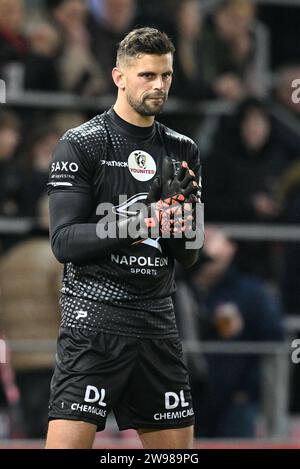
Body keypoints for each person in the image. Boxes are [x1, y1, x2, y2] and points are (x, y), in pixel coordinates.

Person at [45, 27, 204, 449]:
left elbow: (188, 256)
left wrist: (180, 223)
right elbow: (64, 241)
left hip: (157, 325)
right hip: (93, 325)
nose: (159, 86)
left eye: (166, 76)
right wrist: (145, 220)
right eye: (147, 76)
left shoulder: (182, 149)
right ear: (119, 77)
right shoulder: (82, 144)